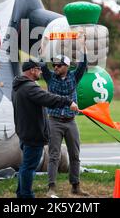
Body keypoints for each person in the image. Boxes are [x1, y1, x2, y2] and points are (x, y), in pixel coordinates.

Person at [12, 60, 79, 198]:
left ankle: (21, 193)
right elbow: (48, 98)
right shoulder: (30, 87)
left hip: (25, 133)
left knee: (26, 166)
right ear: (32, 70)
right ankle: (26, 195)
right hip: (33, 134)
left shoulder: (18, 86)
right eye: (38, 69)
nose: (41, 71)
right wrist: (68, 102)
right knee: (29, 168)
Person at [41, 52, 89, 197]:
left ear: (67, 66)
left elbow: (83, 65)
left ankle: (75, 186)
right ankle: (51, 187)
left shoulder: (74, 77)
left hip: (70, 121)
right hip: (54, 121)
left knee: (75, 154)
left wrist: (83, 49)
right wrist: (42, 51)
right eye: (54, 64)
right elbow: (42, 64)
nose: (55, 67)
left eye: (59, 65)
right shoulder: (50, 77)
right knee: (54, 155)